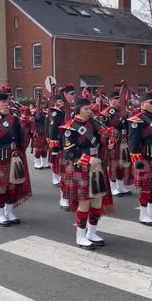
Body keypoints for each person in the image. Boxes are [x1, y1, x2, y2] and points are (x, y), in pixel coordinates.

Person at [60, 97, 113, 249]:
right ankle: (80, 236)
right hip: (81, 167)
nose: (90, 111)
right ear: (77, 110)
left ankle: (92, 233)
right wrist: (87, 159)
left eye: (90, 109)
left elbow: (100, 141)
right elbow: (69, 152)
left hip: (97, 165)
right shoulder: (69, 128)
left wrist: (109, 140)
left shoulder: (94, 123)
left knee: (97, 201)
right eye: (86, 109)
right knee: (85, 203)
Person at [0, 91, 32, 226]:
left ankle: (9, 212)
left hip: (13, 155)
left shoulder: (13, 118)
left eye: (7, 101)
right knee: (2, 186)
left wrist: (26, 126)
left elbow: (20, 137)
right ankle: (0, 214)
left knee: (12, 184)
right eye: (2, 102)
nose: (5, 104)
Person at [129, 89, 152, 226]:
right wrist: (137, 161)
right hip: (144, 156)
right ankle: (143, 214)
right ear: (142, 104)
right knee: (146, 187)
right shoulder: (137, 120)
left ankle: (151, 211)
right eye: (151, 102)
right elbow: (133, 143)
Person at [100, 87, 133, 196]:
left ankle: (120, 186)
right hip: (114, 142)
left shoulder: (122, 111)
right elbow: (105, 129)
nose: (119, 101)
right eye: (116, 99)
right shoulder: (106, 113)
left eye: (120, 99)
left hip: (124, 141)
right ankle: (113, 187)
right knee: (113, 165)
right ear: (110, 101)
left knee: (122, 164)